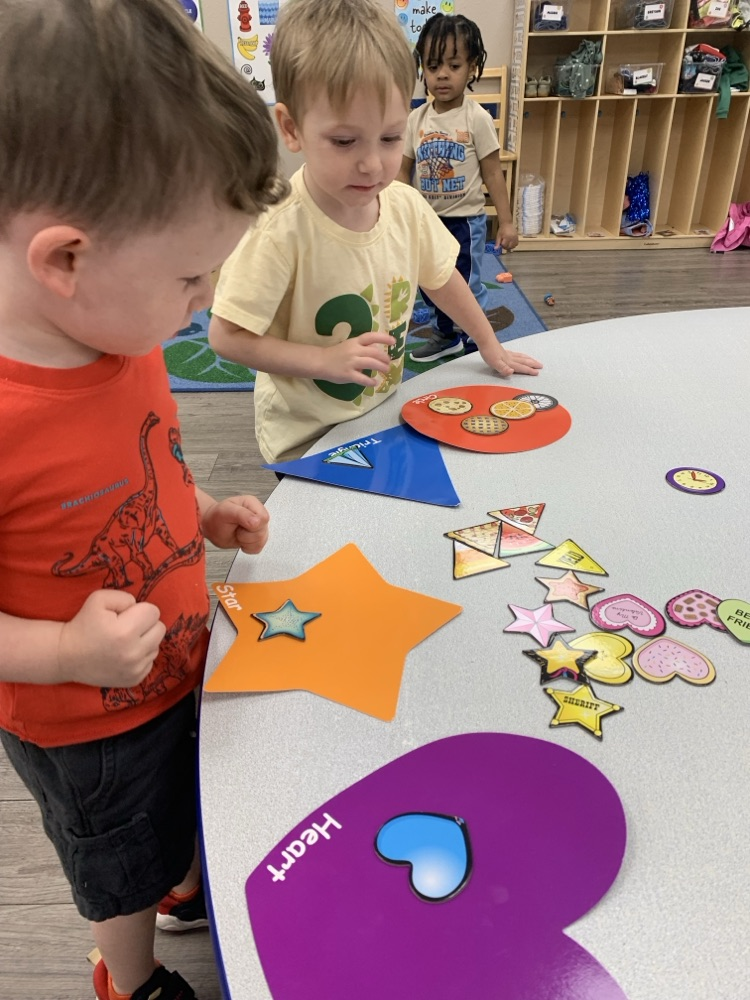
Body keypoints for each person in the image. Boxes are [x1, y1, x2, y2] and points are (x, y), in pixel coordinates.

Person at [0, 2, 285, 999]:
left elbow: (141, 458)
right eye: (191, 279)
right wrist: (66, 653)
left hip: (173, 662)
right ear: (68, 262)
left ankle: (178, 880)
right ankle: (126, 974)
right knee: (120, 860)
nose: (201, 305)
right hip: (88, 729)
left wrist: (197, 506)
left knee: (177, 803)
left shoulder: (123, 334)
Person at [209, 0, 541, 467]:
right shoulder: (280, 227)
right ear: (291, 128)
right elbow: (227, 338)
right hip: (305, 435)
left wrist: (488, 344)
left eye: (389, 138)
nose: (372, 164)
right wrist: (323, 361)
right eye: (345, 141)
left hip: (380, 413)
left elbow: (444, 281)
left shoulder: (404, 205)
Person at [398, 13, 519, 363]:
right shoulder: (415, 120)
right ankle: (446, 334)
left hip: (464, 221)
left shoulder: (476, 118)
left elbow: (494, 173)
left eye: (453, 64)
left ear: (472, 67)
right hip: (426, 221)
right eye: (433, 66)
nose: (442, 75)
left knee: (464, 282)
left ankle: (473, 340)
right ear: (422, 68)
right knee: (431, 282)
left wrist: (507, 223)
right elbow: (402, 172)